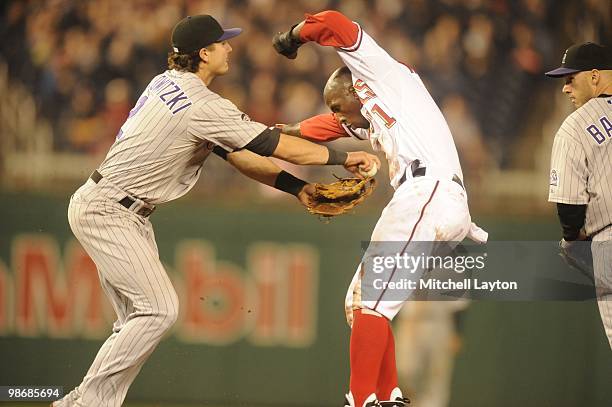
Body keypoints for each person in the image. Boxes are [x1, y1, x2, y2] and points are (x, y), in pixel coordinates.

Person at [53, 14, 379, 407]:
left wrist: (297, 188)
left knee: (134, 323)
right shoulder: (199, 103)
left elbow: (239, 155)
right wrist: (344, 157)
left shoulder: (167, 82)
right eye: (222, 43)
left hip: (117, 208)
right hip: (111, 211)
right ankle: (81, 404)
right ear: (203, 53)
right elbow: (276, 146)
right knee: (159, 311)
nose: (229, 47)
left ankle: (93, 403)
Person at [273, 10, 487, 407]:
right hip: (433, 201)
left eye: (339, 105)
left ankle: (360, 399)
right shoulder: (374, 114)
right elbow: (325, 127)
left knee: (371, 302)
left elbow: (335, 23)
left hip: (428, 192)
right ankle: (388, 396)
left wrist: (295, 35)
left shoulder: (384, 75)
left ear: (355, 89)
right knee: (360, 305)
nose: (337, 114)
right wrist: (272, 133)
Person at [545, 42, 612, 349]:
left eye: (571, 78)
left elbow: (569, 207)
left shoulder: (575, 127)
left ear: (595, 76)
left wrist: (572, 238)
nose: (565, 87)